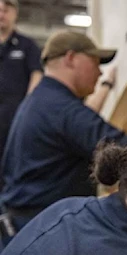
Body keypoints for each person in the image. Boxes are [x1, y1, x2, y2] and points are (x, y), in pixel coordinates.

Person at [0, 30, 127, 244]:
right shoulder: (61, 109)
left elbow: (81, 125)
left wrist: (107, 87)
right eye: (95, 62)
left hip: (24, 228)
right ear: (71, 58)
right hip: (40, 233)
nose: (100, 72)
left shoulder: (44, 100)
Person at [0, 0, 42, 189]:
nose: (2, 14)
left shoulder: (27, 46)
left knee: (14, 170)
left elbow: (37, 75)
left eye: (6, 9)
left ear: (15, 13)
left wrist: (27, 109)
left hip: (15, 122)